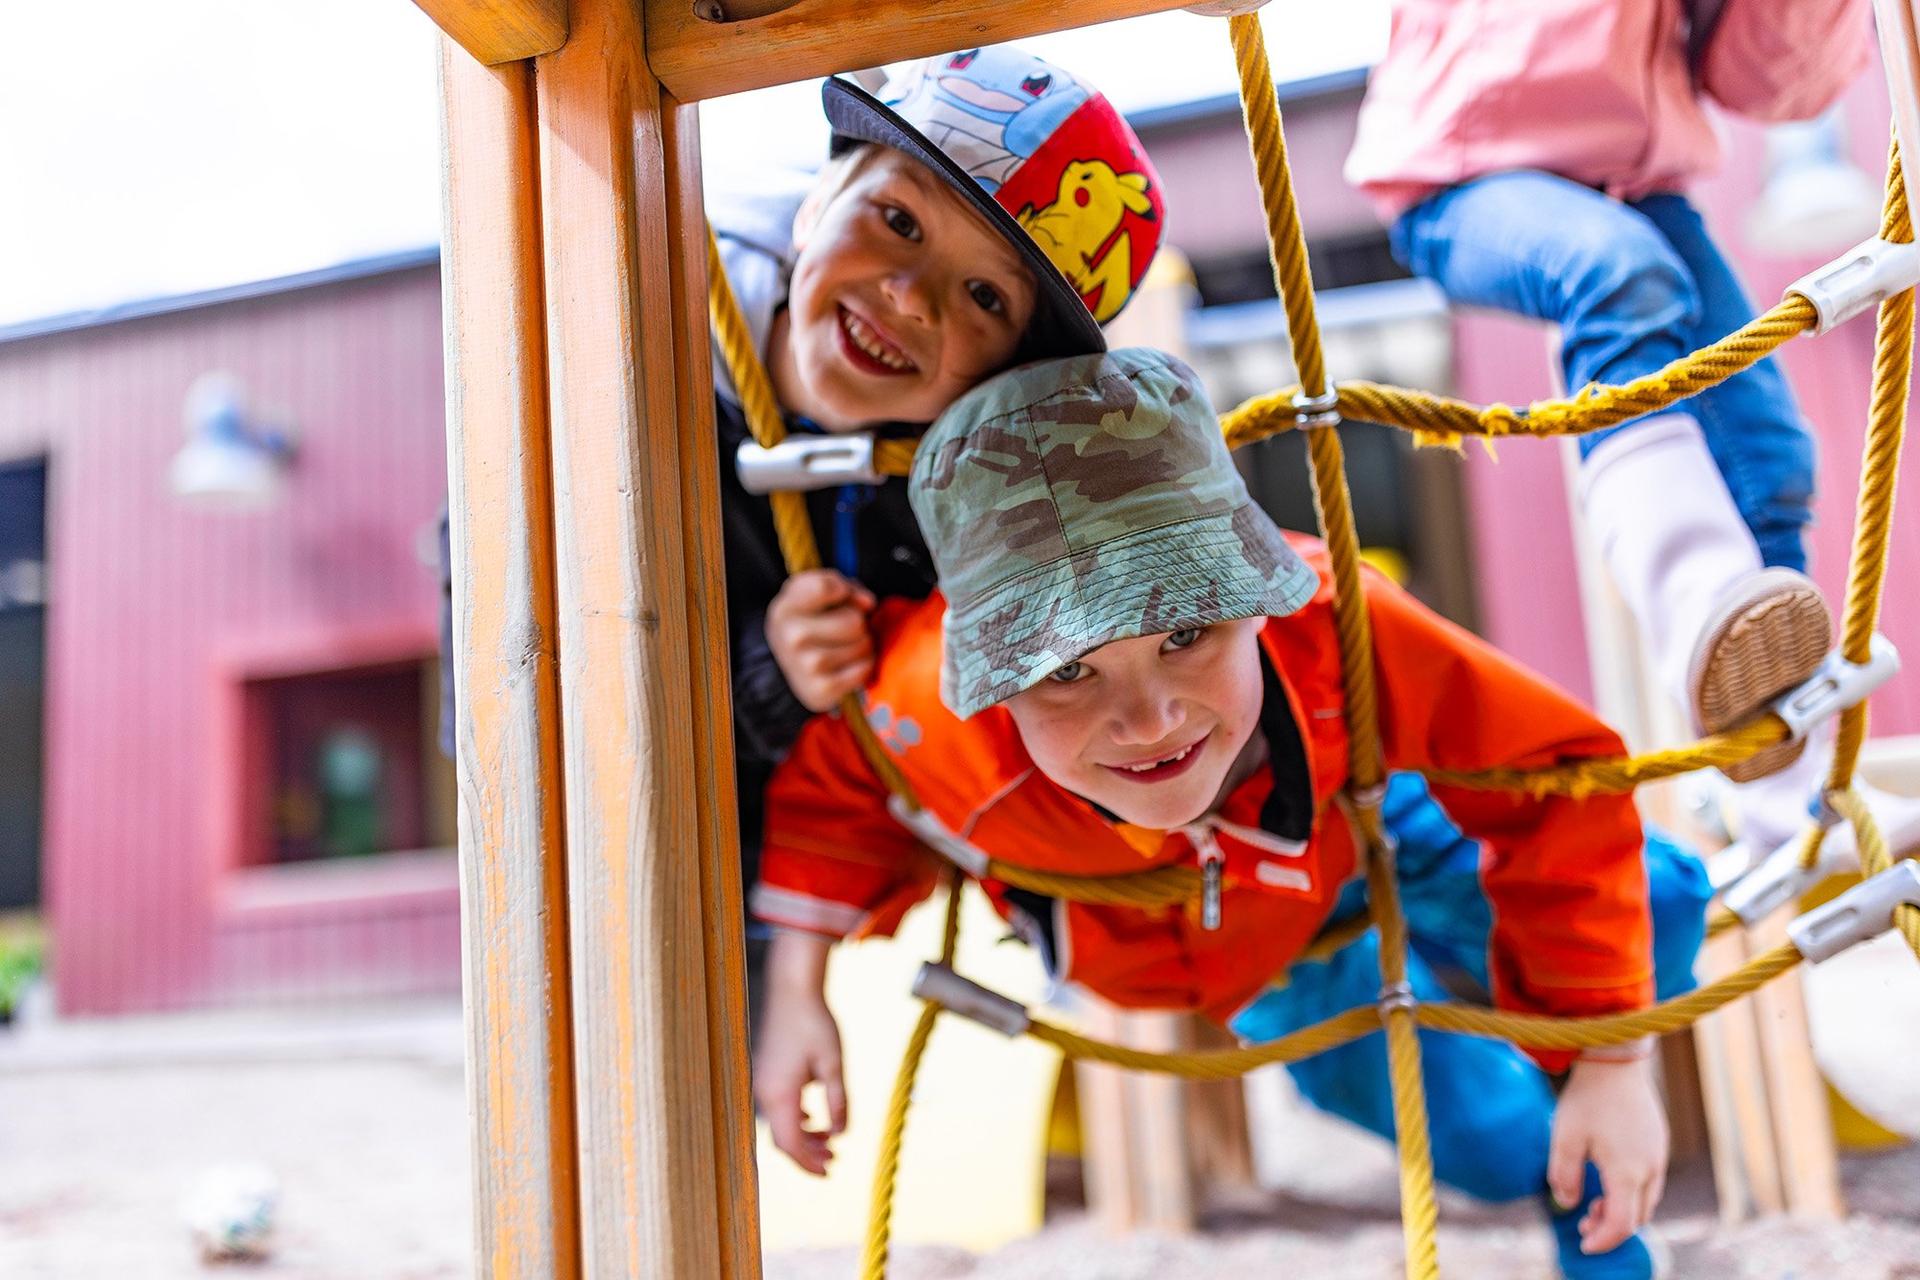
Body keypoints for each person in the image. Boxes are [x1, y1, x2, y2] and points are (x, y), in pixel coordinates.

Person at [750, 348, 1708, 1279]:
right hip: (1271, 953)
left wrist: (1610, 1060)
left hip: (1367, 811)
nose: (1150, 720)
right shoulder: (927, 718)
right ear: (998, 685)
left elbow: (1553, 776)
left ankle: (1580, 1087)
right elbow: (837, 796)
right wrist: (796, 988)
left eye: (1186, 632)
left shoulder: (1333, 623)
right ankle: (1564, 1173)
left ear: (1256, 600)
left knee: (1657, 894)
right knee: (1492, 1147)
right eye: (1070, 671)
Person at [1343, 0, 1880, 857]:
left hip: (1636, 185)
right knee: (1616, 275)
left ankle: (1790, 806)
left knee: (1767, 459)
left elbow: (1769, 82)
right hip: (1465, 175)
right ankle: (1698, 601)